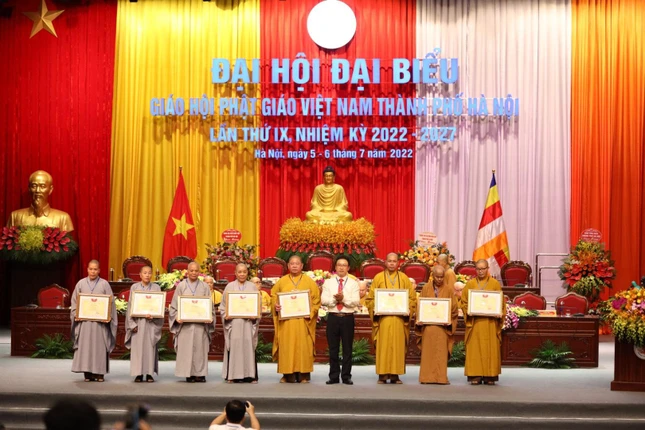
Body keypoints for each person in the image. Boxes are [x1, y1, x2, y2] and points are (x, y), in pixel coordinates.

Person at [365, 253, 416, 384]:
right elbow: (370, 298)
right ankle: (382, 374)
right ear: (385, 262)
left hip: (399, 320)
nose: (392, 263)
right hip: (383, 319)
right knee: (383, 346)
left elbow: (412, 298)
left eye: (394, 261)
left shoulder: (404, 278)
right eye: (389, 261)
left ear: (398, 263)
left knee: (398, 346)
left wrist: (408, 309)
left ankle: (395, 375)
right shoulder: (378, 278)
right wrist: (375, 308)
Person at [271, 255, 321, 383]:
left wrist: (310, 313)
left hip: (303, 322)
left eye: (297, 263)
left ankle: (304, 375)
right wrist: (276, 306)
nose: (294, 266)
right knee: (287, 347)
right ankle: (287, 374)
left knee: (303, 347)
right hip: (286, 322)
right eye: (292, 263)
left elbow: (316, 300)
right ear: (288, 266)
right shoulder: (282, 281)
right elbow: (273, 297)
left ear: (302, 266)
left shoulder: (309, 282)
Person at [169, 261, 216, 383]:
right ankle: (188, 373)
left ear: (199, 272)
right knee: (186, 350)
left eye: (196, 271)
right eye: (191, 270)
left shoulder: (204, 286)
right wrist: (177, 317)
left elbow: (209, 305)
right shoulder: (181, 286)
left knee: (200, 350)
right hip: (185, 326)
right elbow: (174, 306)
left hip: (201, 325)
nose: (194, 273)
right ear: (187, 272)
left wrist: (209, 316)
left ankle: (200, 374)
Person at [70, 260, 117, 382]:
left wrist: (107, 316)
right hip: (85, 323)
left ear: (99, 270)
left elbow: (111, 303)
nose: (93, 271)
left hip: (99, 324)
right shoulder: (80, 284)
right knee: (86, 348)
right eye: (91, 269)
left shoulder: (104, 284)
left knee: (99, 347)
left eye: (95, 269)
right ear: (87, 269)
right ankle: (88, 373)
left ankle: (100, 373)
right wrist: (76, 314)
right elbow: (74, 302)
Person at [461, 259, 505, 385]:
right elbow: (464, 302)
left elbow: (501, 302)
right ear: (475, 269)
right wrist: (468, 310)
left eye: (483, 269)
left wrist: (499, 312)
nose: (481, 271)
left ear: (487, 269)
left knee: (490, 349)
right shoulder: (470, 284)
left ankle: (490, 376)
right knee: (475, 349)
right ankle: (475, 375)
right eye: (478, 269)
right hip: (475, 323)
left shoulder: (495, 284)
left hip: (490, 323)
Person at [415, 265, 459, 384]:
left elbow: (454, 309)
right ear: (432, 276)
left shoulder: (448, 289)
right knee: (428, 353)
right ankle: (426, 378)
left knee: (441, 353)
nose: (439, 279)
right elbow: (420, 306)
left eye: (441, 277)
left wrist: (448, 320)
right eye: (437, 277)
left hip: (442, 328)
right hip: (428, 327)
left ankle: (441, 378)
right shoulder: (425, 288)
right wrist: (420, 319)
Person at [321, 256, 360, 385]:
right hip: (333, 317)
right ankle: (333, 376)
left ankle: (346, 376)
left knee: (347, 349)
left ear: (348, 268)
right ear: (335, 267)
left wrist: (343, 299)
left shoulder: (353, 283)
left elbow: (356, 301)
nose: (341, 267)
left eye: (344, 265)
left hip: (347, 317)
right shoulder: (328, 283)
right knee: (333, 349)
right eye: (339, 265)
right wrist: (335, 299)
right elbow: (324, 300)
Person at [220, 263, 260, 383]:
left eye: (244, 272)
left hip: (248, 323)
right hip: (234, 323)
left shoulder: (252, 287)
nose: (242, 274)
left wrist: (255, 316)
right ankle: (232, 375)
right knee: (234, 347)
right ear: (235, 273)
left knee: (248, 347)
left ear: (247, 273)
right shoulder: (229, 287)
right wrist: (226, 315)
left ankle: (250, 375)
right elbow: (223, 306)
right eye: (239, 272)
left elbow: (257, 305)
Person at [125, 266, 163, 383]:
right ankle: (139, 374)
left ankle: (149, 373)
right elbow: (130, 306)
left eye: (149, 273)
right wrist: (132, 325)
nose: (147, 275)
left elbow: (159, 306)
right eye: (145, 273)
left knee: (150, 349)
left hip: (151, 323)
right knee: (138, 350)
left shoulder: (156, 288)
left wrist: (155, 316)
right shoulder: (134, 287)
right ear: (140, 275)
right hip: (138, 323)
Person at [7, 170, 74, 231]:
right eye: (34, 186)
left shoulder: (63, 218)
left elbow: (67, 239)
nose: (38, 190)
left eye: (42, 186)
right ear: (29, 188)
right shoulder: (15, 216)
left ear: (50, 189)